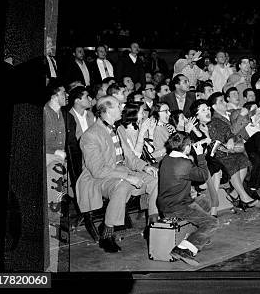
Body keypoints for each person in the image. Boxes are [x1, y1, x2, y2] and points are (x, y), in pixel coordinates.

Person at [76, 96, 159, 253]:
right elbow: (97, 170)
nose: (122, 108)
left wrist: (145, 167)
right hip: (97, 179)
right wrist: (128, 177)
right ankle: (107, 232)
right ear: (107, 110)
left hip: (122, 173)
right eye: (118, 105)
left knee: (154, 179)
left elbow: (130, 157)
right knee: (123, 185)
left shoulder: (119, 129)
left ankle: (152, 224)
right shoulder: (90, 135)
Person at [157, 132, 219, 263]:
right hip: (179, 207)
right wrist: (201, 156)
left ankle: (197, 236)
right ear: (187, 147)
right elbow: (203, 176)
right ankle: (185, 249)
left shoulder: (166, 159)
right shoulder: (184, 163)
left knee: (205, 202)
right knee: (212, 222)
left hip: (166, 205)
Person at [207, 92, 258, 208]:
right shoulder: (214, 120)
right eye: (221, 101)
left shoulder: (230, 114)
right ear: (214, 106)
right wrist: (240, 118)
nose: (225, 103)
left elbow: (241, 130)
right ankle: (244, 197)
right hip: (221, 151)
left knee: (244, 161)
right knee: (233, 162)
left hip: (236, 148)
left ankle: (234, 194)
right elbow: (230, 133)